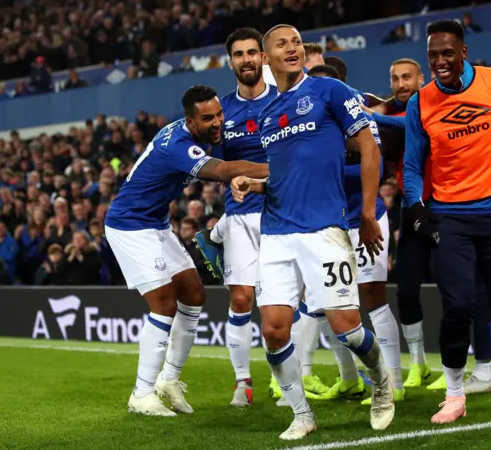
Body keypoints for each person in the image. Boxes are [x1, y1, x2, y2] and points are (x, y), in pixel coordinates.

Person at [230, 24, 394, 440]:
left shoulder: (331, 92)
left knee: (347, 328)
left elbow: (370, 148)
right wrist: (253, 183)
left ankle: (381, 381)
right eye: (282, 43)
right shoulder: (266, 114)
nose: (293, 48)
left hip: (325, 229)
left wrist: (370, 211)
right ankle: (302, 413)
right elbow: (285, 173)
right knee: (272, 330)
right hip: (277, 232)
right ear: (266, 58)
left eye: (297, 42)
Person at [403, 20, 491, 423]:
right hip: (449, 217)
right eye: (433, 55)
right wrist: (416, 207)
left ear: (463, 51)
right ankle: (454, 394)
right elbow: (413, 165)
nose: (441, 61)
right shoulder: (421, 102)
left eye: (448, 53)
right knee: (457, 306)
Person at [104, 85, 269, 417]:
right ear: (190, 122)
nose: (217, 122)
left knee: (193, 293)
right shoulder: (178, 145)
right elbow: (223, 172)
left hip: (155, 223)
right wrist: (280, 167)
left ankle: (169, 379)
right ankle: (142, 393)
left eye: (219, 114)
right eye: (208, 118)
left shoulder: (192, 134)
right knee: (164, 303)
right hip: (129, 226)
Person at [194, 28, 324, 407]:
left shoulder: (284, 101)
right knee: (240, 298)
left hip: (282, 213)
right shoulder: (221, 111)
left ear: (263, 58)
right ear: (230, 61)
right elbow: (211, 161)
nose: (247, 59)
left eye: (253, 52)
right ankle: (242, 384)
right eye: (239, 54)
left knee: (287, 301)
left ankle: (290, 383)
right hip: (240, 217)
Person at [304, 62, 405, 405]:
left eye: (324, 84)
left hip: (367, 218)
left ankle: (396, 381)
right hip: (328, 224)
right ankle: (349, 378)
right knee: (323, 303)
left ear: (341, 85)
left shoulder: (359, 113)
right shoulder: (308, 122)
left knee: (373, 298)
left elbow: (372, 159)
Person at [362, 58, 433, 388]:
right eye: (395, 78)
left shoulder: (433, 103)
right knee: (405, 290)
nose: (401, 84)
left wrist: (370, 115)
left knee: (460, 288)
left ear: (422, 78)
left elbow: (413, 125)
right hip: (412, 208)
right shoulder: (390, 114)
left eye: (407, 77)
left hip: (449, 207)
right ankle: (419, 365)